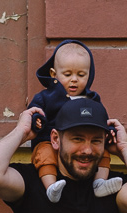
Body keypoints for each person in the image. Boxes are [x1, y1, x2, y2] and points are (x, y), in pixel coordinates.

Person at [28, 40, 122, 203]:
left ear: (89, 74)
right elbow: (35, 112)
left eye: (81, 75)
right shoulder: (46, 97)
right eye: (67, 74)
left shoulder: (92, 99)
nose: (74, 80)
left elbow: (102, 122)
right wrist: (37, 120)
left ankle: (99, 183)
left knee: (103, 151)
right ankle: (51, 187)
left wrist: (110, 131)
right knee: (44, 154)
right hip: (48, 141)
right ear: (53, 74)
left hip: (81, 147)